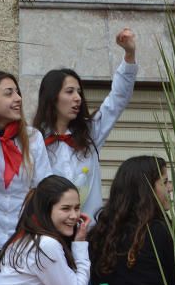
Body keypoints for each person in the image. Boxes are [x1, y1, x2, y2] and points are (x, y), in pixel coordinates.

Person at [32, 27, 138, 220]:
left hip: (87, 234)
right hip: (49, 234)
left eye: (79, 92)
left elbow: (117, 99)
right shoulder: (34, 139)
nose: (77, 98)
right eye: (70, 91)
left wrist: (129, 54)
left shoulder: (91, 132)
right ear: (52, 97)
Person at [89, 156, 175, 285]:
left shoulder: (100, 233)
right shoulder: (159, 231)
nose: (170, 188)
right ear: (147, 189)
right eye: (165, 182)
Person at [0, 71, 52, 265]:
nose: (18, 99)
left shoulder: (32, 137)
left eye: (17, 92)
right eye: (8, 93)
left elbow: (44, 188)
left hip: (23, 243)